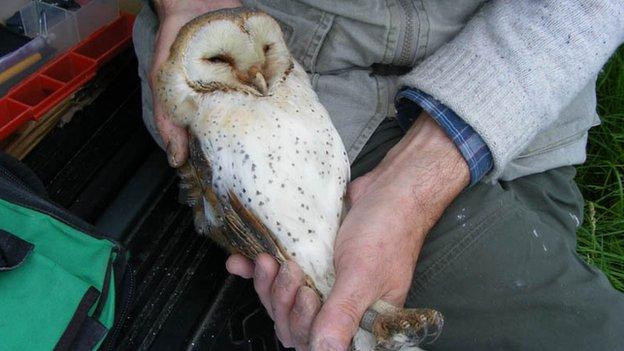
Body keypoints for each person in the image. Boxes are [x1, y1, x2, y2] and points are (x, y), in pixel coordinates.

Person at [133, 1, 624, 350]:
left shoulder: (273, 75)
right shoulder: (238, 123)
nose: (256, 76)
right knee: (582, 329)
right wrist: (184, 4)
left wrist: (414, 188)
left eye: (257, 61)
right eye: (223, 61)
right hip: (334, 85)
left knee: (537, 283)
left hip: (530, 83)